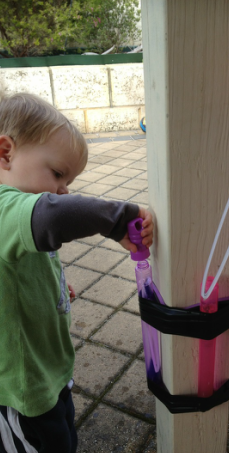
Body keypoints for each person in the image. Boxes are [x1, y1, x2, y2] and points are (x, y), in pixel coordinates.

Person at [0, 92, 154, 453]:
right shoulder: (5, 206)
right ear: (5, 152)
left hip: (48, 372)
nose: (63, 191)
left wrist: (52, 286)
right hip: (23, 392)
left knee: (64, 439)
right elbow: (53, 215)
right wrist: (118, 220)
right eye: (57, 174)